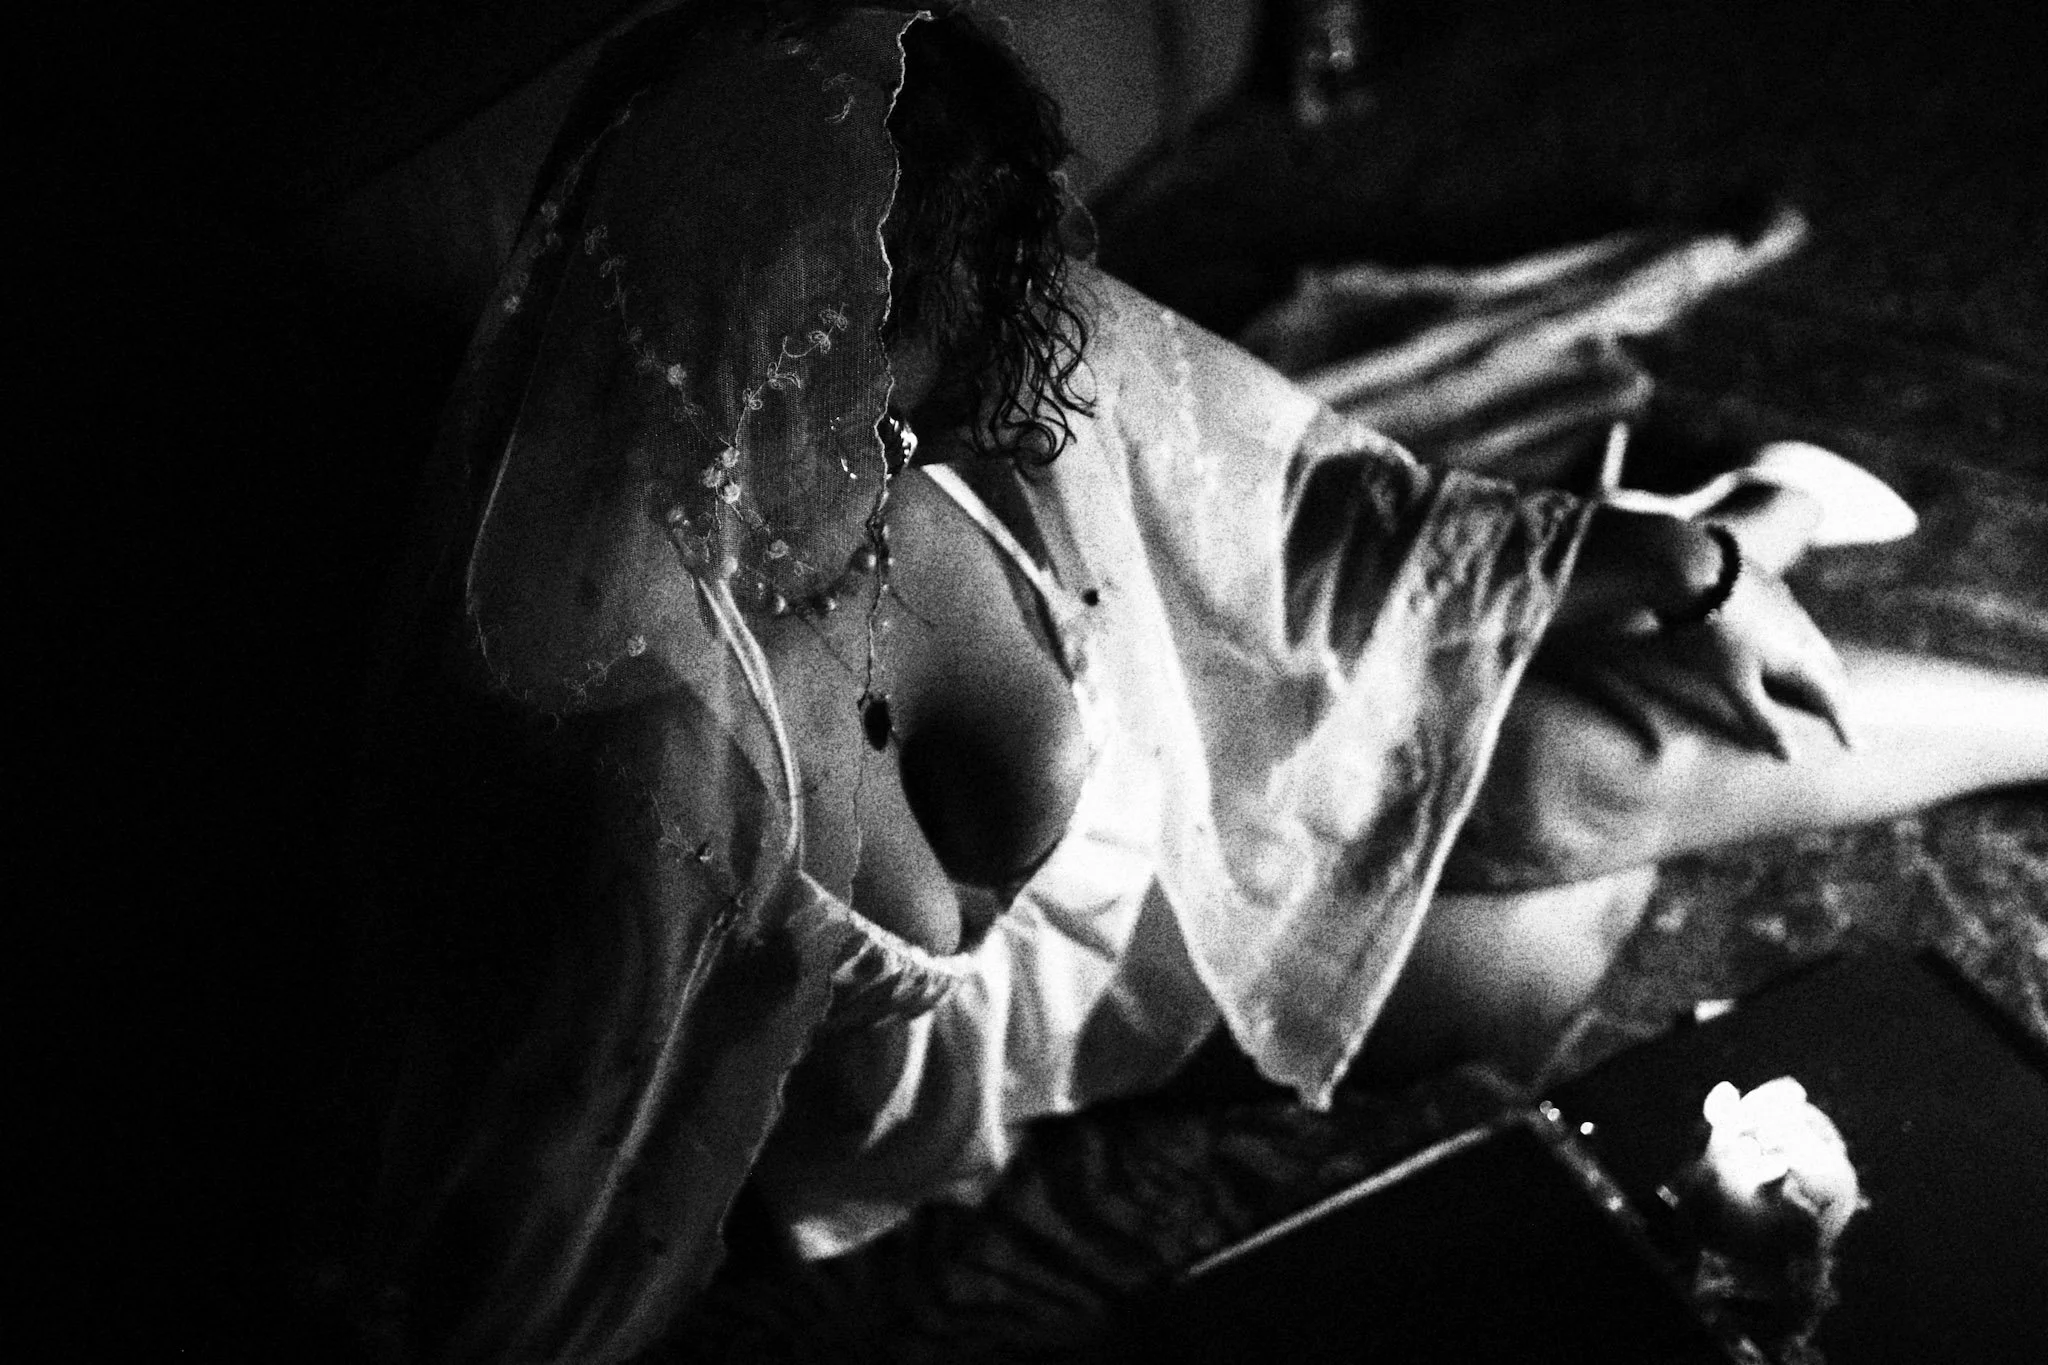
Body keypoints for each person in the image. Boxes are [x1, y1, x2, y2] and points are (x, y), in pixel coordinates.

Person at [342, 2, 2048, 1359]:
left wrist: (1695, 575)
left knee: (1562, 770)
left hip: (1181, 777)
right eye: (941, 353)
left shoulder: (869, 392)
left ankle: (1785, 563)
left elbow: (1301, 506)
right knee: (1554, 943)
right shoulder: (646, 737)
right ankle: (1727, 531)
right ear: (796, 329)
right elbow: (567, 1222)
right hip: (1049, 1047)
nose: (1014, 384)